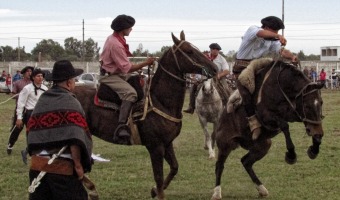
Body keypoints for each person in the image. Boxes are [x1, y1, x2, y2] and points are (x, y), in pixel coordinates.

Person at [26, 60, 93, 199]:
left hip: (37, 168)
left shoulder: (42, 99)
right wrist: (78, 166)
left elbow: (31, 129)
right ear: (69, 82)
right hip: (61, 172)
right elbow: (75, 137)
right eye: (74, 80)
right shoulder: (71, 102)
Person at [232, 16, 298, 140]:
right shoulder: (253, 30)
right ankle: (253, 123)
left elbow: (282, 51)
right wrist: (278, 37)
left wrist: (292, 56)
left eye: (278, 32)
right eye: (275, 31)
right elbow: (262, 33)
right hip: (242, 67)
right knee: (246, 86)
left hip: (257, 66)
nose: (277, 34)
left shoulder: (272, 40)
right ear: (267, 27)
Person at [99, 14, 155, 144]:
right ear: (122, 28)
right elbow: (127, 68)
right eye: (129, 27)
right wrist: (146, 63)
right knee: (131, 93)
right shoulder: (116, 44)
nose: (131, 29)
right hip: (110, 76)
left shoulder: (115, 39)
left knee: (142, 82)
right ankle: (121, 126)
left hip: (116, 73)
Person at [183, 43, 230, 114]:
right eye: (214, 49)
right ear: (211, 50)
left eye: (217, 50)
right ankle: (191, 107)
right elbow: (198, 66)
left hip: (218, 78)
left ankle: (228, 108)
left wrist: (219, 75)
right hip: (205, 77)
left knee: (226, 89)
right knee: (193, 87)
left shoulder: (222, 59)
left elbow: (227, 70)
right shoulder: (205, 57)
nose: (216, 51)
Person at [16, 68, 48, 164]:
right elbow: (21, 103)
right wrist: (19, 118)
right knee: (32, 135)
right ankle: (32, 154)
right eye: (38, 76)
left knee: (43, 135)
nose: (40, 78)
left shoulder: (45, 88)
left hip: (42, 114)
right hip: (31, 114)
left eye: (41, 76)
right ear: (33, 77)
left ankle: (27, 151)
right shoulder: (27, 89)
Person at [6, 66, 33, 155]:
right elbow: (13, 95)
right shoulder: (18, 83)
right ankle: (10, 145)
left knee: (31, 130)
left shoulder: (33, 84)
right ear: (24, 73)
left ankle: (30, 148)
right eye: (28, 71)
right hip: (20, 110)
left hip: (30, 110)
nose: (30, 73)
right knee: (16, 129)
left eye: (31, 71)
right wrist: (22, 96)